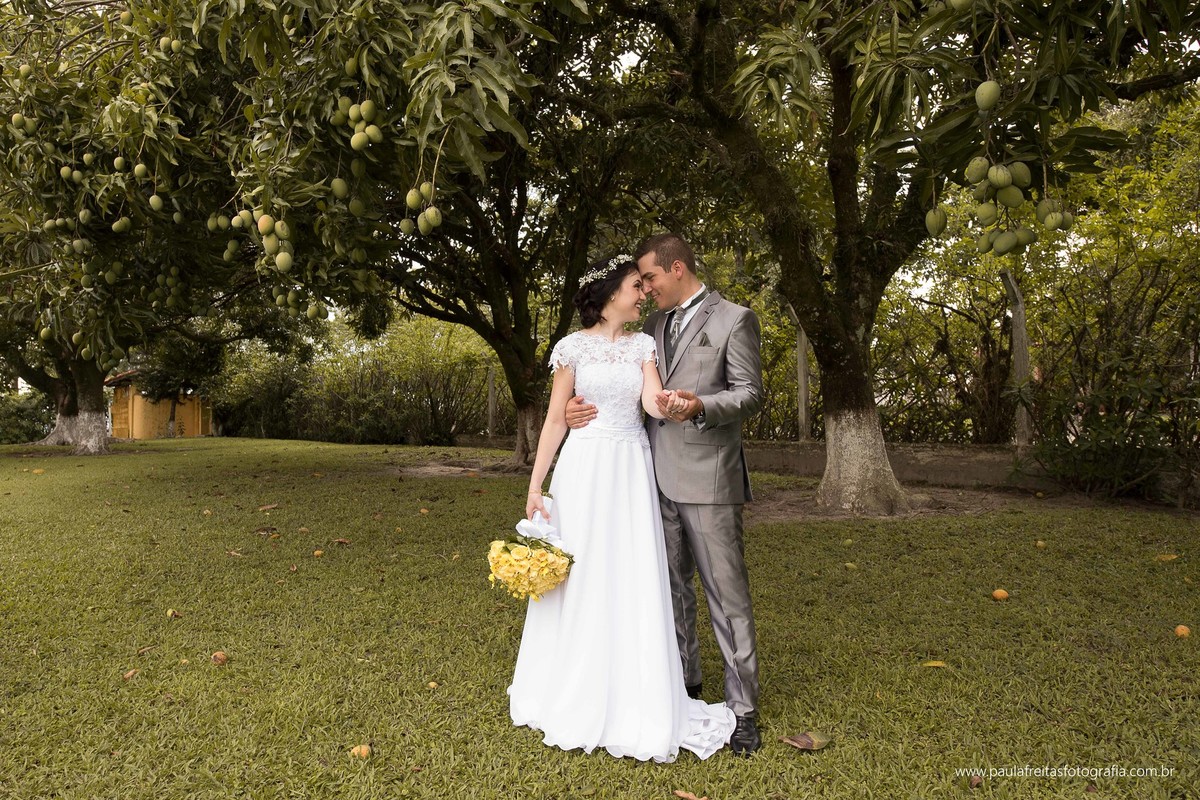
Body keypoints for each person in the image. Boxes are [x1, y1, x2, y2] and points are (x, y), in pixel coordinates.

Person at [508, 253, 736, 762]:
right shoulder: (570, 348)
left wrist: (676, 404)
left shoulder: (642, 345)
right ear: (612, 294)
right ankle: (573, 688)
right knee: (582, 573)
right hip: (584, 470)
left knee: (629, 573)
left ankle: (636, 693)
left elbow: (652, 401)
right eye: (636, 286)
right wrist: (535, 483)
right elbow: (553, 421)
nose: (643, 293)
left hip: (630, 469)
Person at [565, 233, 765, 755]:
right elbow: (620, 393)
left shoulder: (734, 319)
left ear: (676, 269)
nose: (645, 287)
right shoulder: (647, 328)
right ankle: (683, 686)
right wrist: (570, 413)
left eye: (649, 277)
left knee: (726, 596)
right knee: (666, 585)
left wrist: (699, 406)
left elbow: (750, 394)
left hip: (710, 478)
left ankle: (742, 711)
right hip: (646, 477)